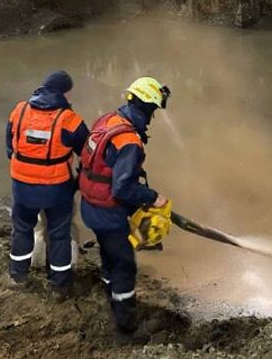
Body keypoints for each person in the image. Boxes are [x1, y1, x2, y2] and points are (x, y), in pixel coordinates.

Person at [79, 76, 172, 343]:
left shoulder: (108, 120)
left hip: (90, 205)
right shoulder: (129, 142)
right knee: (125, 266)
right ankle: (126, 329)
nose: (154, 116)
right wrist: (152, 197)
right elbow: (121, 189)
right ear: (147, 108)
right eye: (154, 109)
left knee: (109, 258)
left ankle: (111, 300)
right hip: (109, 214)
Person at [6, 70, 89, 298]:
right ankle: (59, 286)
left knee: (22, 228)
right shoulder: (70, 120)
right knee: (59, 233)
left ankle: (18, 277)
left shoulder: (20, 110)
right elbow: (88, 153)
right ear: (66, 93)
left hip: (22, 185)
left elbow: (10, 146)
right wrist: (80, 180)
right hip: (57, 188)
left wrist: (25, 167)